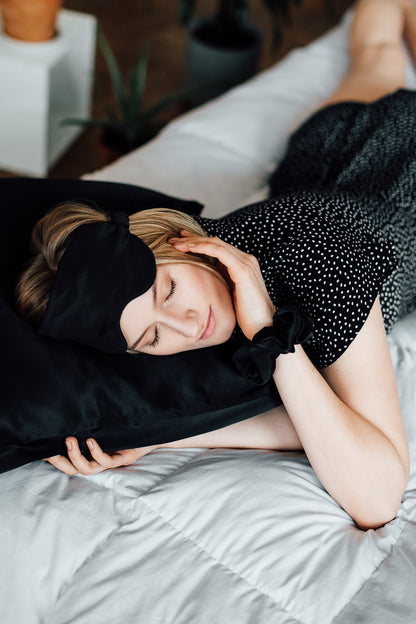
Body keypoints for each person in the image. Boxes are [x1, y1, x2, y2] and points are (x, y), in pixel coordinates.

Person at [15, 0, 416, 529]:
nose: (184, 325)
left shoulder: (324, 261)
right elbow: (309, 421)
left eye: (169, 291)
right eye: (153, 338)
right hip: (324, 172)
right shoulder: (188, 321)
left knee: (380, 49)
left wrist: (273, 340)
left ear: (182, 241)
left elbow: (379, 494)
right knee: (377, 50)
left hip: (385, 178)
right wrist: (154, 436)